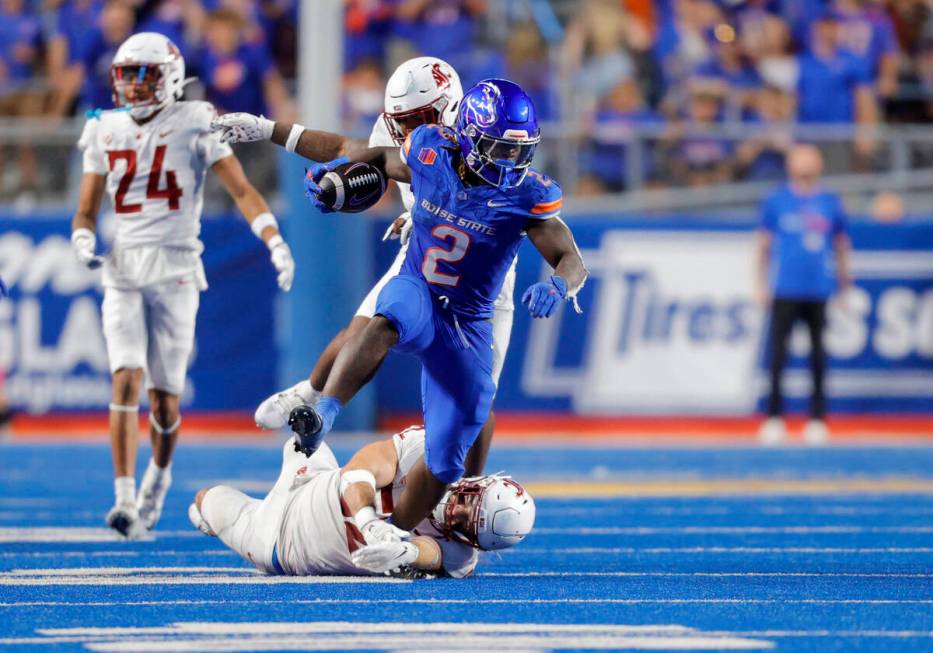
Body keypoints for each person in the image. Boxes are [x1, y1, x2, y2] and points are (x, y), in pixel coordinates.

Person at [291, 79, 587, 533]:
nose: (511, 162)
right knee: (388, 318)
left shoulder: (528, 195)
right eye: (499, 148)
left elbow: (571, 260)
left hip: (468, 323)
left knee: (448, 461)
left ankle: (395, 535)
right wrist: (338, 171)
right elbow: (379, 157)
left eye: (519, 150)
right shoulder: (429, 150)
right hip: (420, 289)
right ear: (467, 135)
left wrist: (559, 285)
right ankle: (325, 411)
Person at [213, 57, 514, 477]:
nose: (407, 129)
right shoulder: (402, 133)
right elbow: (343, 149)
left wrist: (436, 215)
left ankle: (471, 487)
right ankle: (309, 392)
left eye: (419, 118)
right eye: (401, 120)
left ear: (450, 107)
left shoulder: (485, 135)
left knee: (477, 396)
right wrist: (269, 130)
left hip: (482, 276)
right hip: (425, 256)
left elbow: (498, 202)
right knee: (366, 327)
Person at [70, 32, 296, 538]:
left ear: (170, 77)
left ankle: (159, 475)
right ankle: (125, 497)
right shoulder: (102, 129)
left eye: (143, 75)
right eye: (125, 76)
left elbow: (240, 189)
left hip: (175, 266)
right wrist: (83, 238)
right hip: (124, 267)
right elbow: (85, 209)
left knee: (164, 401)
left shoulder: (196, 121)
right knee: (125, 377)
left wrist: (273, 240)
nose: (131, 87)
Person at [188, 425, 536, 578]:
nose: (456, 513)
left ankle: (209, 514)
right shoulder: (427, 452)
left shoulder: (460, 556)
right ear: (476, 483)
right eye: (468, 504)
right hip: (315, 477)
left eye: (464, 525)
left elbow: (432, 555)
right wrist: (368, 521)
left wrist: (410, 552)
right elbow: (362, 468)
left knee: (207, 500)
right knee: (303, 437)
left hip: (280, 542)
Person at [755, 144, 852, 446]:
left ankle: (817, 419)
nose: (805, 163)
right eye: (800, 157)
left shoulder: (830, 202)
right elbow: (763, 243)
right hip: (785, 287)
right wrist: (760, 282)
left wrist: (844, 284)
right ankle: (773, 418)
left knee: (818, 357)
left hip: (818, 288)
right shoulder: (777, 200)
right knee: (778, 356)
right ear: (790, 163)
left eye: (811, 157)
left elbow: (840, 245)